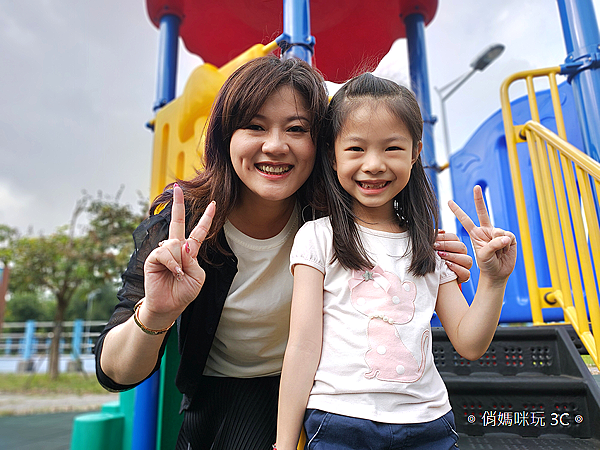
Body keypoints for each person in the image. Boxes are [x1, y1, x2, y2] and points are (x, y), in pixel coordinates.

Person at [95, 57, 472, 450]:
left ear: (323, 146)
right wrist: (155, 313)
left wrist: (440, 261)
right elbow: (115, 373)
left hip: (338, 394)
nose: (275, 146)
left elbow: (405, 259)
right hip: (228, 396)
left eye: (296, 129)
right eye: (255, 126)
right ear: (226, 136)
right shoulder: (185, 229)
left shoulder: (336, 218)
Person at [275, 73, 517, 450]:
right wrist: (284, 444)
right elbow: (302, 347)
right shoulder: (318, 237)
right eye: (355, 149)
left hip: (429, 426)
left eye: (391, 148)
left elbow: (470, 343)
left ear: (415, 152)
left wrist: (493, 280)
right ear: (332, 155)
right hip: (340, 423)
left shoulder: (428, 246)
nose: (373, 164)